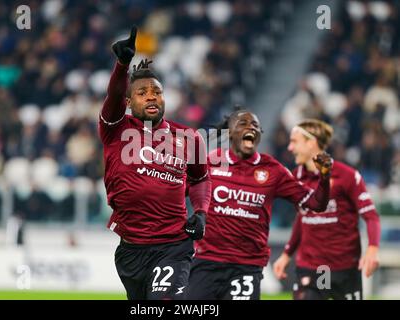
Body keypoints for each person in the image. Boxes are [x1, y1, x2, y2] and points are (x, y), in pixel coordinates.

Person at [99, 26, 211, 300]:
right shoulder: (116, 127)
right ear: (128, 102)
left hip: (173, 244)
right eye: (142, 92)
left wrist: (201, 212)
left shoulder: (189, 138)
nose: (151, 96)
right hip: (131, 249)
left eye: (157, 92)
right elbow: (113, 95)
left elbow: (201, 179)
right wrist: (122, 65)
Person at [186, 108, 333, 300]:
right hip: (205, 262)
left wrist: (324, 178)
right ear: (230, 132)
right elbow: (177, 190)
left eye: (255, 125)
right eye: (243, 124)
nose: (251, 127)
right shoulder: (210, 162)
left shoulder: (274, 170)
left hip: (246, 267)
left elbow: (315, 203)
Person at [273, 119, 381, 300]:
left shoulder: (347, 176)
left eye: (295, 142)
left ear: (311, 142)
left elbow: (371, 217)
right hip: (311, 266)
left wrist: (372, 249)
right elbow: (302, 217)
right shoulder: (296, 177)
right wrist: (286, 254)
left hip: (344, 267)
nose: (290, 148)